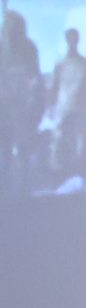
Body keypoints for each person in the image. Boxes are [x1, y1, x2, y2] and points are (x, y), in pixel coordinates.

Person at [0, 11, 43, 194]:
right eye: (8, 27)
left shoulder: (29, 48)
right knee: (5, 150)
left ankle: (24, 187)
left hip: (23, 109)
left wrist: (34, 104)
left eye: (15, 27)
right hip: (4, 108)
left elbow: (35, 77)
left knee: (24, 150)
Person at [43, 27, 86, 182]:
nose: (73, 42)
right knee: (58, 138)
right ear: (67, 41)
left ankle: (78, 170)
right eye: (70, 39)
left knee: (79, 139)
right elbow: (53, 85)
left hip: (79, 106)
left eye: (75, 38)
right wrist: (50, 107)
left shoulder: (84, 62)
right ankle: (57, 171)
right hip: (63, 106)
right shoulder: (60, 63)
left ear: (78, 40)